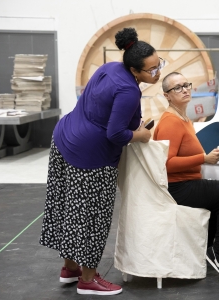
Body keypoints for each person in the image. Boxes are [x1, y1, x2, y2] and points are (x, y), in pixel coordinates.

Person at [39, 27, 164, 296]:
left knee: (69, 207)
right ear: (135, 70)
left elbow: (100, 104)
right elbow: (116, 133)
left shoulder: (109, 67)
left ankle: (70, 268)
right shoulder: (130, 91)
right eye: (152, 70)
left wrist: (130, 123)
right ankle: (87, 279)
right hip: (90, 156)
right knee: (92, 216)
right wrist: (140, 135)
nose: (158, 72)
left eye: (159, 64)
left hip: (64, 137)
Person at [153, 72, 219, 279]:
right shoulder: (171, 122)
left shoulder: (183, 118)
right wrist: (203, 159)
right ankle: (216, 252)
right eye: (177, 87)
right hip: (178, 187)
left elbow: (185, 150)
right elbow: (166, 164)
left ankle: (209, 248)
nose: (185, 89)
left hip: (187, 182)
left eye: (186, 84)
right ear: (167, 95)